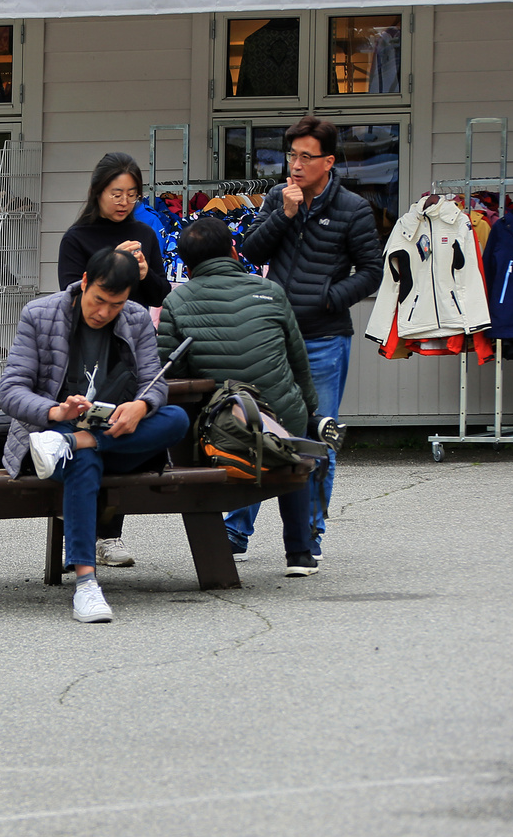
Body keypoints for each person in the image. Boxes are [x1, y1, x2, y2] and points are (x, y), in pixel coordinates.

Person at [0, 248, 189, 623]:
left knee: (177, 418)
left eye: (115, 305)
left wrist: (141, 406)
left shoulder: (135, 319)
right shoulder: (41, 314)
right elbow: (11, 390)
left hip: (115, 432)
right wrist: (56, 412)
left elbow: (155, 382)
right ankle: (86, 583)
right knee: (83, 459)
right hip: (51, 433)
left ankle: (77, 443)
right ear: (84, 283)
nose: (104, 312)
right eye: (98, 300)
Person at [237, 116, 382, 559]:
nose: (295, 166)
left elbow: (372, 271)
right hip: (272, 338)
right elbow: (252, 252)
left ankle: (310, 536)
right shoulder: (279, 198)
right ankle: (234, 532)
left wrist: (330, 298)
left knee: (317, 436)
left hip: (323, 337)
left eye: (305, 157)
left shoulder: (353, 209)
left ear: (328, 161)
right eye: (290, 156)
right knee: (251, 429)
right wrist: (284, 214)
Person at [156, 215, 322, 576]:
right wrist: (308, 410)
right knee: (292, 446)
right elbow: (298, 361)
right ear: (233, 250)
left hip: (223, 428)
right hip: (281, 419)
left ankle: (225, 539)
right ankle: (300, 553)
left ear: (186, 263)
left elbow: (171, 373)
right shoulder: (271, 290)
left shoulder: (178, 300)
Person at [55, 152, 171, 569]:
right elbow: (67, 292)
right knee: (91, 420)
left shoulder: (146, 231)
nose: (124, 202)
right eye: (115, 193)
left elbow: (161, 294)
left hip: (131, 345)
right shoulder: (78, 236)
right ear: (98, 192)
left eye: (132, 194)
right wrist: (110, 267)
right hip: (85, 350)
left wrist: (140, 273)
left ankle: (110, 534)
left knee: (124, 421)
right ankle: (86, 529)